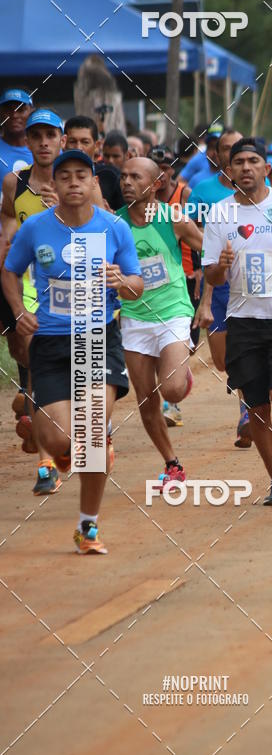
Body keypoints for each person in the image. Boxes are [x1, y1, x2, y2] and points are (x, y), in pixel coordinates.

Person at [2, 149, 143, 553]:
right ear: (55, 185)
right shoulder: (37, 229)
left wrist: (122, 281)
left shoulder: (115, 228)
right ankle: (66, 452)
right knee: (59, 439)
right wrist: (17, 311)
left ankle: (88, 526)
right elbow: (9, 270)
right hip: (50, 343)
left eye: (83, 175)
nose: (75, 183)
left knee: (93, 431)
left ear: (94, 182)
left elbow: (136, 287)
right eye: (66, 177)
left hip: (98, 338)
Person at [202, 137, 272, 505]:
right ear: (229, 170)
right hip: (243, 320)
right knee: (255, 407)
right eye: (239, 162)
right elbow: (212, 277)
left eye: (253, 160)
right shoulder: (219, 214)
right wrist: (220, 264)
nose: (246, 167)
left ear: (267, 168)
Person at [117, 157, 203, 488]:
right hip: (135, 318)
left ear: (155, 185)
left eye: (135, 177)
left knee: (171, 390)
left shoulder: (173, 218)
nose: (126, 182)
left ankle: (181, 374)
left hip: (172, 312)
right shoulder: (116, 223)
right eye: (123, 176)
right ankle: (172, 463)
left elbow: (206, 247)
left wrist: (209, 291)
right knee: (147, 400)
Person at [0, 108, 66, 493]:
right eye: (36, 136)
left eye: (50, 135)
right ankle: (45, 464)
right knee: (31, 358)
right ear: (27, 142)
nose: (43, 143)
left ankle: (83, 437)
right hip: (30, 282)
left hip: (75, 288)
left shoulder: (79, 179)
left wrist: (62, 204)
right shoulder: (14, 182)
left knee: (78, 373)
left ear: (61, 140)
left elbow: (104, 227)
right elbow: (9, 221)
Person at [189, 128, 251, 448]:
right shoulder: (201, 192)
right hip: (215, 282)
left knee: (246, 349)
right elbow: (189, 233)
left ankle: (247, 410)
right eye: (224, 149)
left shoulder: (260, 193)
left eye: (236, 149)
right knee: (223, 360)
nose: (229, 154)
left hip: (249, 284)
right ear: (216, 154)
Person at [149, 145, 196, 428]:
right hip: (150, 285)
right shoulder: (136, 204)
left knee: (187, 341)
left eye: (165, 167)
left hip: (186, 277)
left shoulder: (185, 196)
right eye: (155, 168)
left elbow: (199, 236)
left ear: (172, 170)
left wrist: (202, 273)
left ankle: (176, 384)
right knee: (157, 343)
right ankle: (171, 403)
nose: (161, 173)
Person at [0, 88, 33, 185]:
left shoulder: (48, 150)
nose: (14, 115)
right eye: (8, 109)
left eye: (21, 110)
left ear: (31, 112)